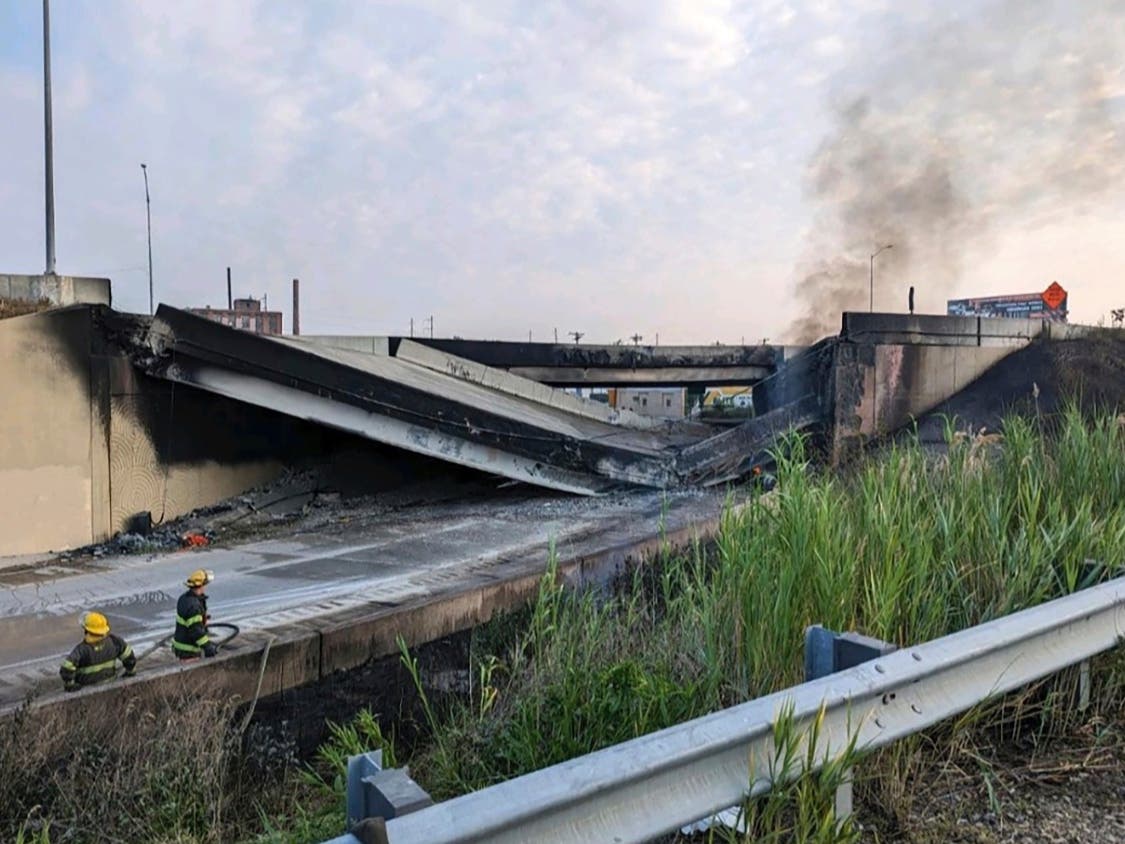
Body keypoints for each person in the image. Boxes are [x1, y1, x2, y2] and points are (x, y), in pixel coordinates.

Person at [59, 611, 136, 691]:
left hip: (86, 686)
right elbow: (129, 657)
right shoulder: (114, 642)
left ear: (87, 630)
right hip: (110, 680)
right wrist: (131, 671)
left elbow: (67, 668)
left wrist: (70, 684)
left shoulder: (82, 649)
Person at [173, 568, 219, 660]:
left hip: (180, 644)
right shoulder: (194, 607)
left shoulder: (184, 598)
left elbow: (190, 622)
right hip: (188, 649)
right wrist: (207, 646)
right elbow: (196, 631)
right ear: (201, 585)